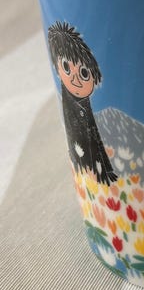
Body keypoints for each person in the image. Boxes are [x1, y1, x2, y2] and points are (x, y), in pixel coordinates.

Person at [48, 21, 117, 185]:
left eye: (84, 73)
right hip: (91, 182)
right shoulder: (71, 110)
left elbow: (96, 143)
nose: (75, 79)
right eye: (66, 67)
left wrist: (107, 172)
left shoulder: (86, 110)